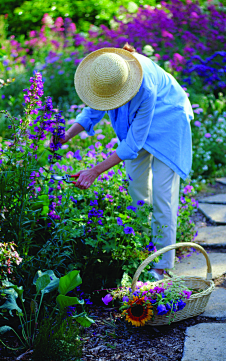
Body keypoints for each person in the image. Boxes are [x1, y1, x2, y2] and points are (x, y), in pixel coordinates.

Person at [58, 43, 193, 280]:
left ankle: (161, 266)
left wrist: (94, 171)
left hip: (169, 121)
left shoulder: (144, 88)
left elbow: (132, 144)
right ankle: (140, 252)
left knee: (163, 196)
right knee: (136, 190)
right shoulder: (106, 75)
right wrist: (65, 136)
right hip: (138, 127)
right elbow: (92, 112)